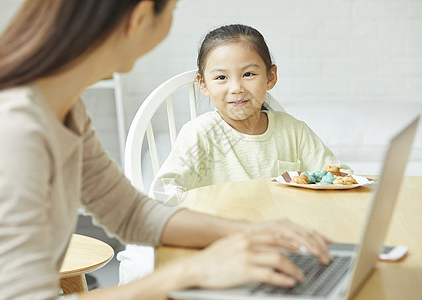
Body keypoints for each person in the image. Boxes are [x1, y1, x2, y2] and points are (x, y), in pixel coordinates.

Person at [0, 2, 333, 300]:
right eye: (173, 8)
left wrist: (249, 231)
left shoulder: (65, 108)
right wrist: (189, 271)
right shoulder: (13, 128)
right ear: (139, 18)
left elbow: (131, 212)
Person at [149, 24, 351, 204]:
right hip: (221, 233)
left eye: (248, 74)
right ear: (203, 84)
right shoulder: (200, 133)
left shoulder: (294, 131)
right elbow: (164, 190)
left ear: (270, 77)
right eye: (221, 77)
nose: (236, 88)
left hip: (280, 232)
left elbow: (340, 175)